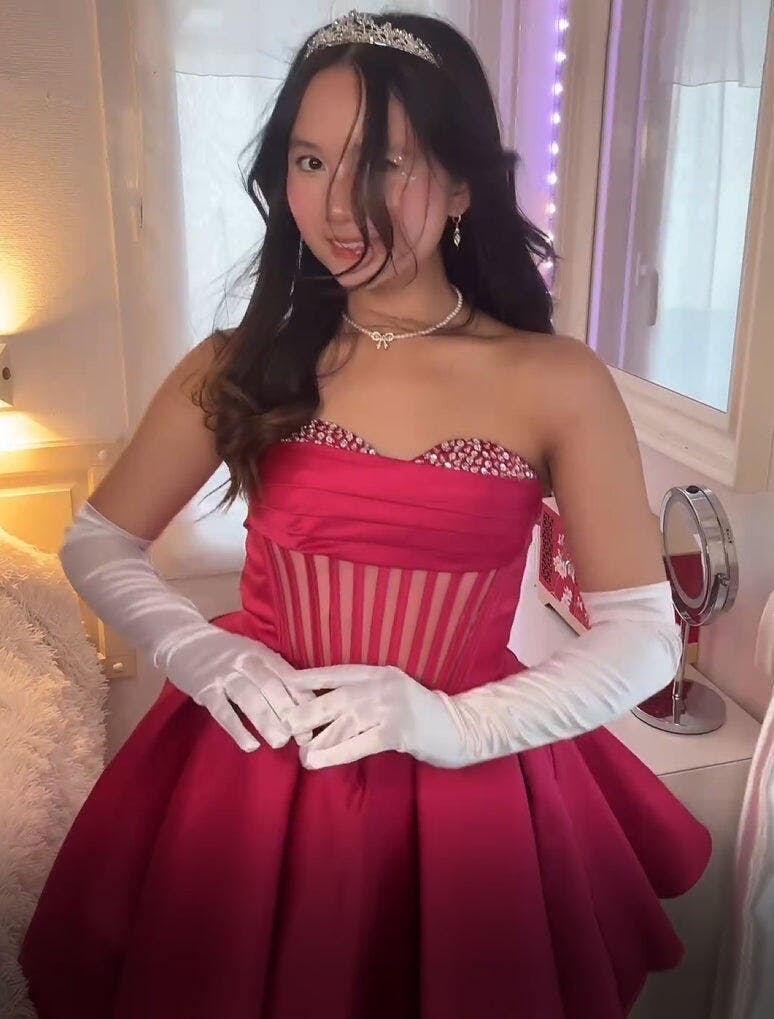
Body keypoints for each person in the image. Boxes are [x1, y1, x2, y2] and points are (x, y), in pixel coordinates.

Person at [18, 9, 712, 1018]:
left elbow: (644, 631)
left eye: (383, 162)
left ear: (463, 185)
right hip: (258, 766)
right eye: (310, 161)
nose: (339, 203)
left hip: (468, 773)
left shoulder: (554, 379)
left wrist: (456, 722)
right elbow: (99, 541)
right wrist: (196, 648)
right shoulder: (241, 361)